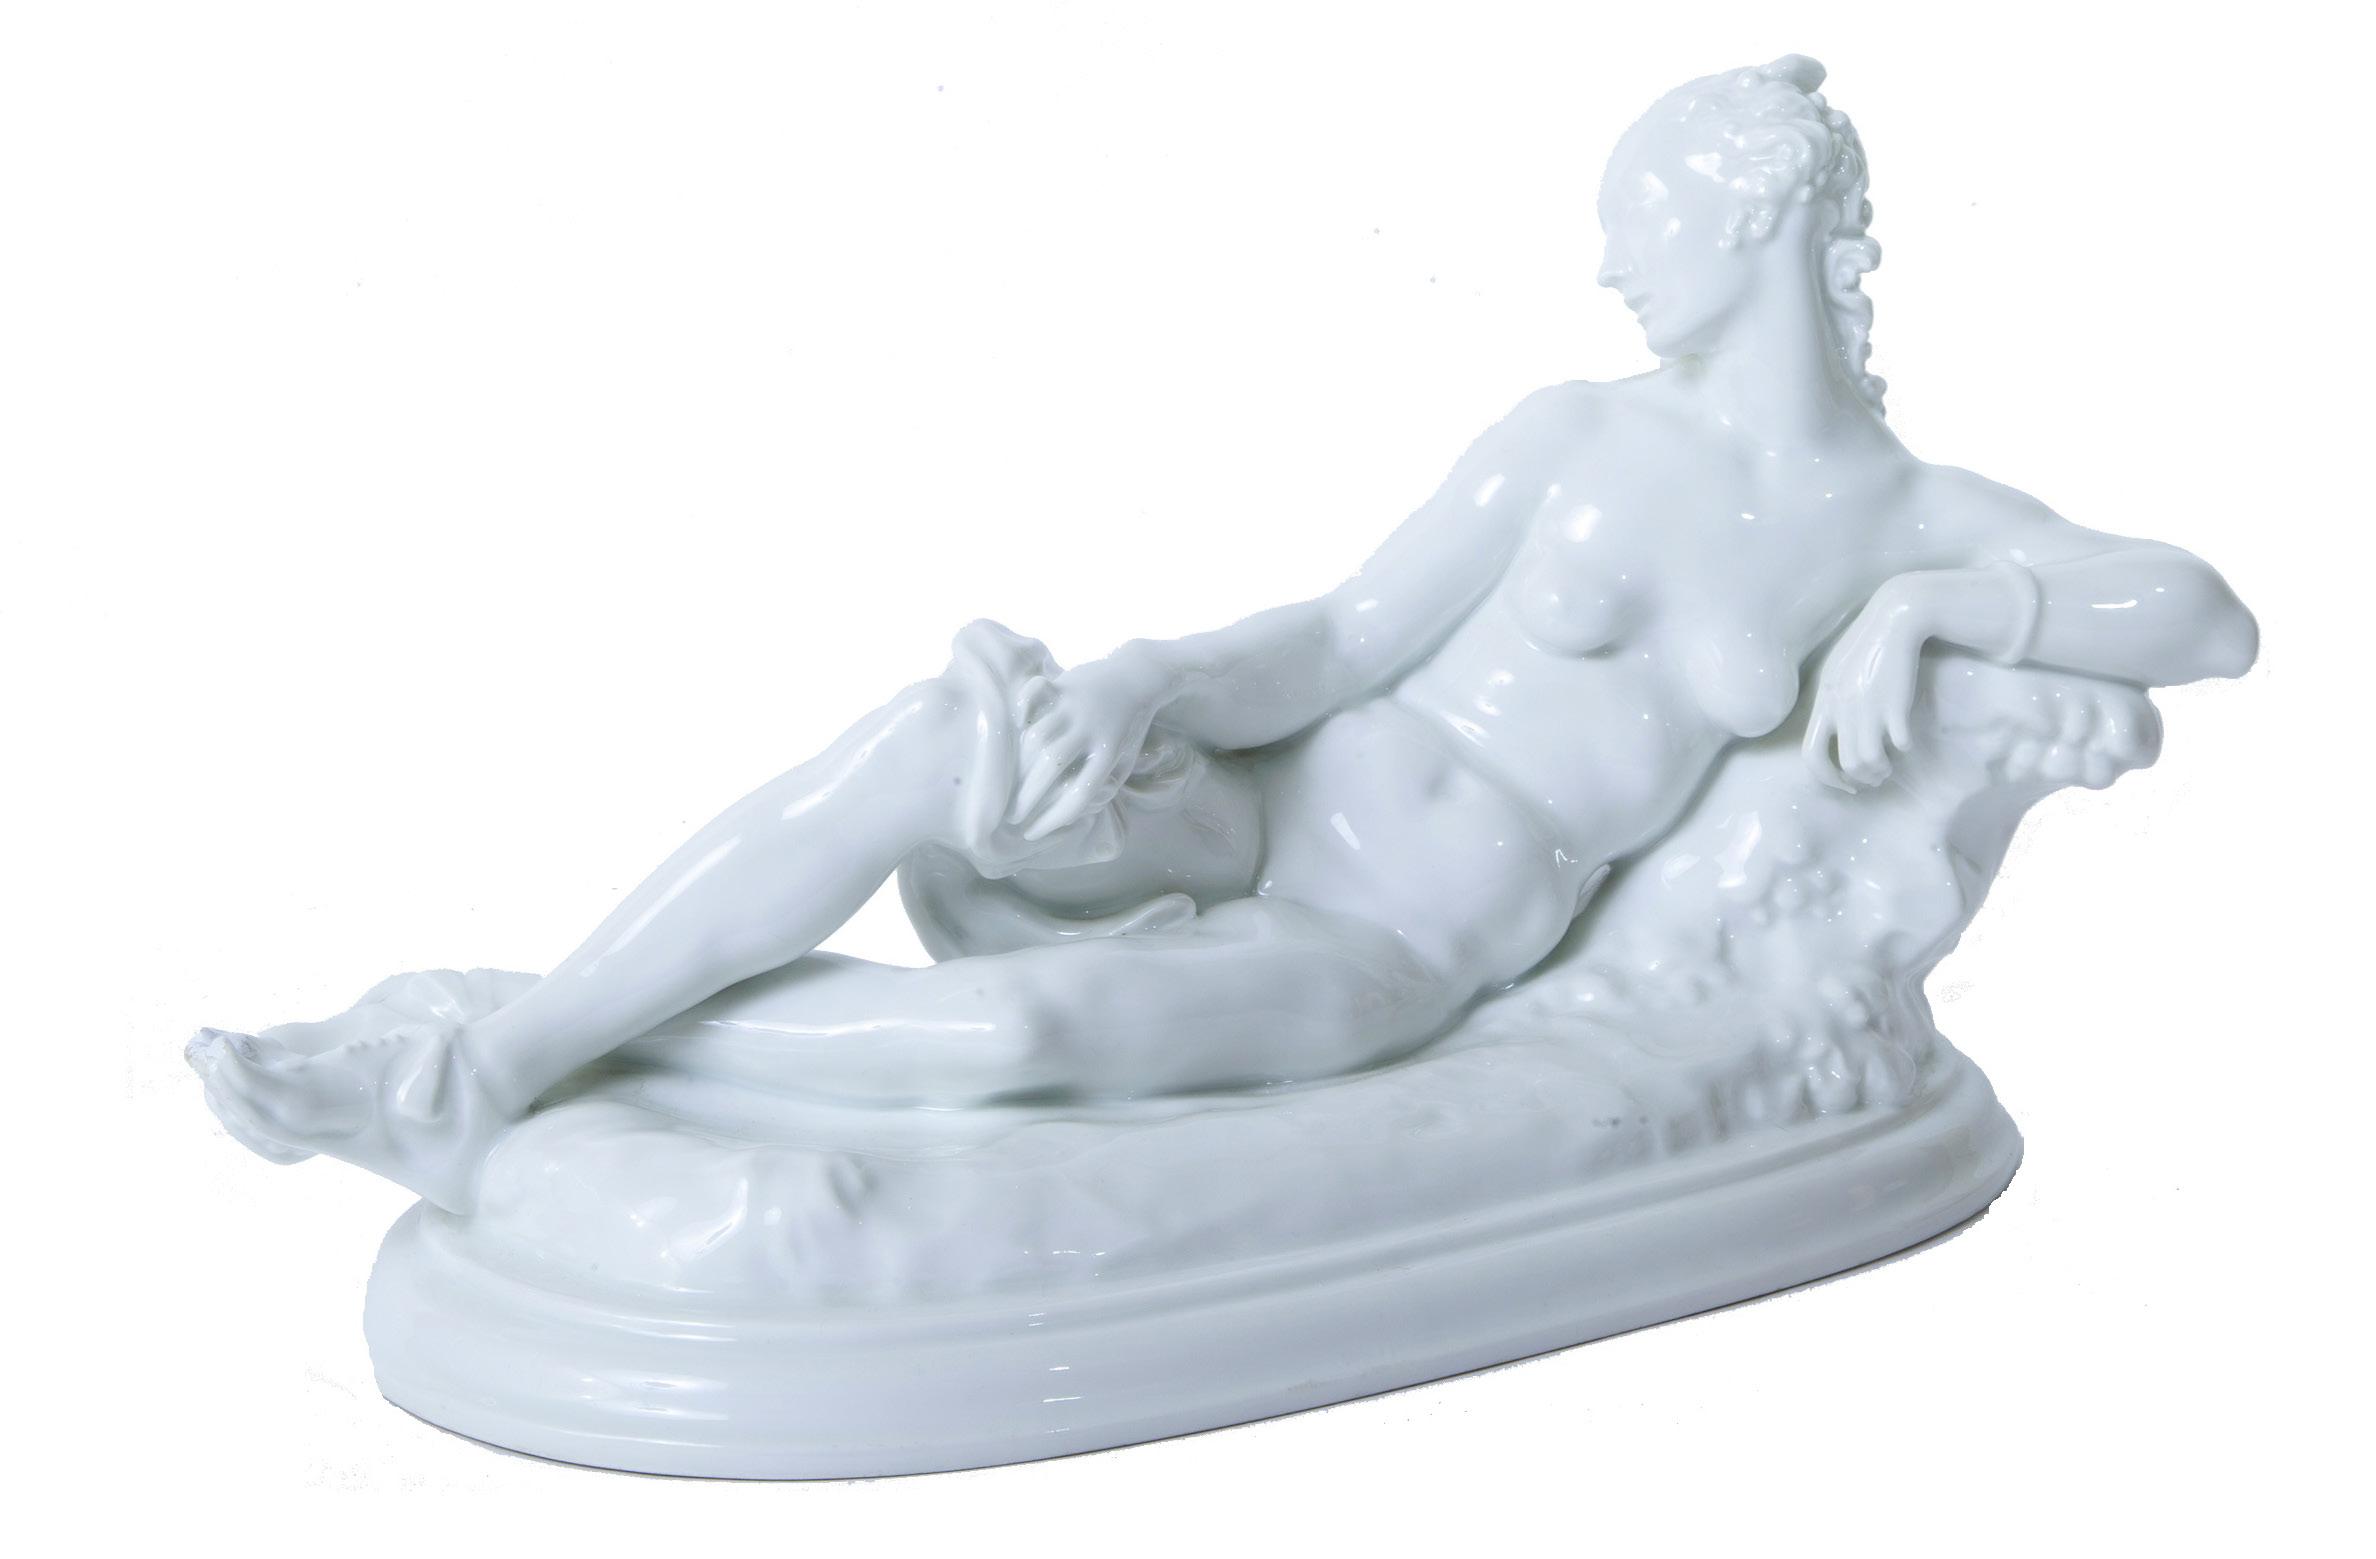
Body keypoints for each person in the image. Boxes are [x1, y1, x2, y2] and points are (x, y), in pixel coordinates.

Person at [190, 56, 2256, 1212]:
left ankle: (548, 1046)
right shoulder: (1574, 433)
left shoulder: (1902, 517)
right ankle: (493, 1059)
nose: (1609, 263)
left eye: (1638, 218)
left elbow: (2204, 615)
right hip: (1262, 796)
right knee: (947, 733)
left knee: (1019, 1043)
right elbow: (1344, 637)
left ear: (1750, 215)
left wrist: (1946, 606)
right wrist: (1150, 684)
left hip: (1397, 941)